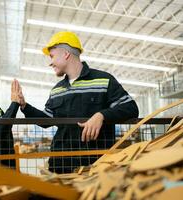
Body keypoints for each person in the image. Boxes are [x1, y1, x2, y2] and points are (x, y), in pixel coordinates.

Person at [17, 31, 139, 173]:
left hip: (95, 166)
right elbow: (47, 120)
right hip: (61, 163)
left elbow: (131, 108)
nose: (50, 62)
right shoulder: (57, 90)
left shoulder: (103, 80)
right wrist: (24, 106)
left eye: (52, 56)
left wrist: (101, 115)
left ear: (66, 54)